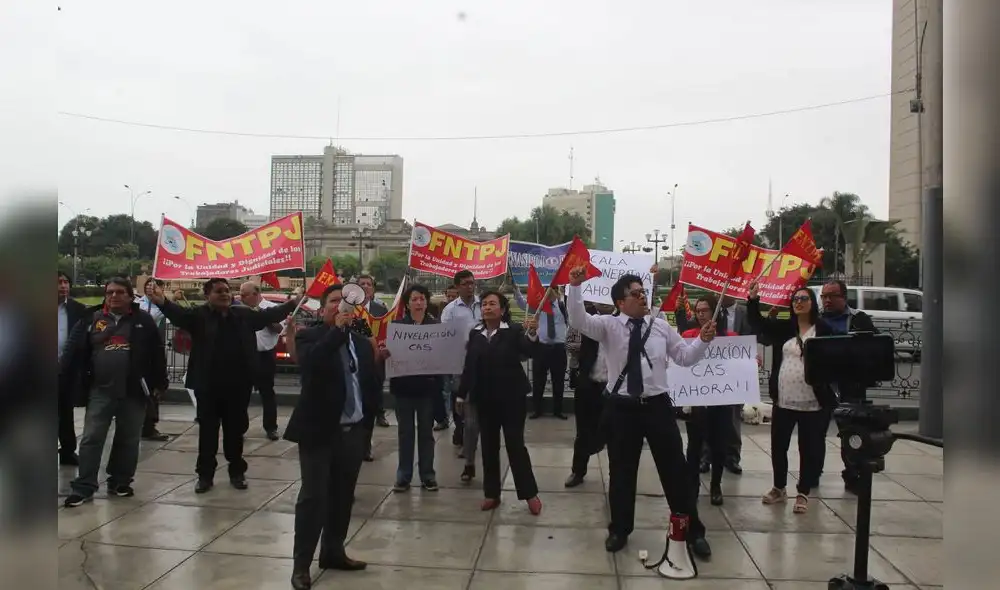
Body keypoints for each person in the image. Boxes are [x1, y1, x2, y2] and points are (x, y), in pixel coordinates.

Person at [565, 267, 715, 558]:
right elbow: (577, 319)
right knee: (621, 472)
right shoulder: (608, 326)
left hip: (658, 407)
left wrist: (703, 341)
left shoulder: (659, 325)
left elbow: (684, 357)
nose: (642, 296)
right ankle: (620, 529)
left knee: (676, 472)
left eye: (643, 291)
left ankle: (692, 530)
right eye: (635, 293)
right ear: (621, 302)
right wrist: (575, 286)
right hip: (622, 409)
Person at [148, 278, 300, 493]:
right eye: (219, 291)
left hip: (238, 386)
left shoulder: (243, 315)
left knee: (235, 432)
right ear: (207, 295)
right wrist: (161, 302)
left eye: (227, 291)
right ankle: (205, 476)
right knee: (208, 433)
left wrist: (292, 303)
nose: (225, 294)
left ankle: (237, 472)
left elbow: (268, 316)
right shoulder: (198, 316)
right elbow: (177, 315)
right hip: (207, 386)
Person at [286, 284, 387, 590]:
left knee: (343, 497)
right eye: (333, 301)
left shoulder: (360, 341)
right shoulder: (310, 337)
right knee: (314, 498)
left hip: (353, 430)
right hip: (319, 431)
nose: (340, 306)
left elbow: (366, 382)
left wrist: (379, 360)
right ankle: (301, 566)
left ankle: (333, 551)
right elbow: (312, 363)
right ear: (322, 309)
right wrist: (337, 333)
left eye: (345, 301)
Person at [61, 278, 169, 507]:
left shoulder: (143, 320)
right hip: (100, 389)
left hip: (134, 391)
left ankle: (120, 481)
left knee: (128, 439)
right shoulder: (91, 318)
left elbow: (157, 353)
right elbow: (73, 349)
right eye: (110, 292)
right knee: (91, 438)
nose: (114, 296)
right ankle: (84, 486)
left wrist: (160, 383)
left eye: (120, 292)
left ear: (131, 296)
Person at [747, 283, 838, 514]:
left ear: (812, 303)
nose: (799, 302)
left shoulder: (824, 329)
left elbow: (836, 359)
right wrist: (753, 299)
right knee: (779, 446)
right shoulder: (786, 327)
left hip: (812, 401)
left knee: (808, 448)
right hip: (784, 400)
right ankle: (779, 487)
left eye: (804, 299)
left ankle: (803, 492)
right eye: (796, 299)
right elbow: (759, 325)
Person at [455, 290, 542, 514]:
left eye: (492, 304)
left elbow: (529, 350)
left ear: (502, 310)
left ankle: (529, 493)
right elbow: (469, 367)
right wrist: (461, 393)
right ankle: (491, 494)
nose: (487, 307)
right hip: (484, 400)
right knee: (489, 447)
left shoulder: (513, 331)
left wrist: (532, 333)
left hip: (512, 400)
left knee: (515, 446)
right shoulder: (476, 334)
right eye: (484, 304)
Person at [818, 279, 877, 494]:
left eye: (832, 296)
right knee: (816, 433)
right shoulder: (815, 320)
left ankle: (852, 474)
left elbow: (873, 349)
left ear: (844, 297)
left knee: (851, 433)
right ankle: (813, 473)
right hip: (822, 384)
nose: (827, 300)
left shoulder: (859, 320)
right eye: (824, 296)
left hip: (850, 386)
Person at [679, 295, 738, 506]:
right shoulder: (688, 335)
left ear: (715, 311)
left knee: (719, 445)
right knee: (694, 445)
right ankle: (691, 485)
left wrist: (750, 361)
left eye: (705, 310)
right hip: (697, 402)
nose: (701, 314)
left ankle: (715, 486)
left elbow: (739, 364)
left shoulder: (730, 337)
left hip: (720, 402)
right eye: (698, 310)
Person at [387, 284, 441, 493]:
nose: (419, 303)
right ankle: (404, 476)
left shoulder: (436, 327)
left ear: (427, 302)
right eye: (414, 299)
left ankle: (428, 474)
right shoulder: (398, 326)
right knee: (405, 433)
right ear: (407, 304)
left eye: (422, 299)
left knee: (426, 433)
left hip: (427, 389)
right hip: (403, 388)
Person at [564, 302, 612, 488]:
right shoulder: (583, 318)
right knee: (583, 431)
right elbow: (570, 345)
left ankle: (615, 473)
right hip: (588, 384)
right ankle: (578, 470)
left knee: (616, 432)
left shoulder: (624, 320)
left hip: (614, 386)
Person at [440, 269, 482, 459]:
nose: (470, 287)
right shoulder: (450, 310)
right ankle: (460, 429)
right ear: (457, 286)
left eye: (472, 283)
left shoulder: (483, 303)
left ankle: (472, 432)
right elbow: (445, 335)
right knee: (459, 397)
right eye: (465, 283)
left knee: (479, 399)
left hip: (482, 360)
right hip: (460, 361)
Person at [238, 281, 285, 441]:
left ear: (256, 293)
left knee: (268, 393)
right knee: (242, 393)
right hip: (245, 356)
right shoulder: (239, 310)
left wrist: (262, 316)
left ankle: (271, 427)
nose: (241, 298)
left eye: (245, 295)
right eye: (241, 295)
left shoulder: (271, 308)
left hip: (265, 355)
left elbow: (279, 329)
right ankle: (239, 428)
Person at [58, 271, 88, 466]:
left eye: (65, 282)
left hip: (66, 370)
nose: (63, 286)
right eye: (58, 282)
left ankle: (68, 450)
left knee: (65, 411)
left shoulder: (77, 309)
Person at [356, 274, 391, 429]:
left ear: (373, 288)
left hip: (377, 355)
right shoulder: (350, 309)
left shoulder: (381, 309)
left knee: (377, 385)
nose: (365, 286)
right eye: (362, 284)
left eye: (368, 284)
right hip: (355, 356)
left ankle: (379, 413)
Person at [529, 288, 569, 419]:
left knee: (558, 381)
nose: (550, 294)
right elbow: (522, 303)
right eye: (548, 291)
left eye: (553, 291)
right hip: (541, 347)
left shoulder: (563, 306)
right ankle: (537, 410)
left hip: (558, 348)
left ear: (557, 293)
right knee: (538, 381)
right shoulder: (538, 306)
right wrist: (516, 291)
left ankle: (558, 410)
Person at [431, 287, 459, 431]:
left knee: (457, 389)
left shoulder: (461, 311)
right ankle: (444, 419)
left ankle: (459, 420)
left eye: (454, 296)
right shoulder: (439, 309)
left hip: (458, 355)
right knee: (445, 389)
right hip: (443, 355)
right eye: (449, 296)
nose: (451, 299)